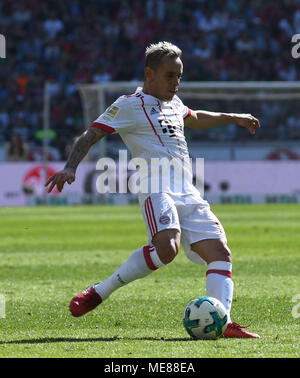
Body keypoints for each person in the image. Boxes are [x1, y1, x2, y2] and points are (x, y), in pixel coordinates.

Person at [45, 41, 260, 338]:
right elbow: (92, 134)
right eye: (170, 75)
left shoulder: (174, 104)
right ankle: (100, 291)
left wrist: (232, 117)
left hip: (188, 190)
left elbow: (195, 117)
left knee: (220, 253)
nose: (176, 82)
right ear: (150, 74)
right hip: (155, 185)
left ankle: (222, 321)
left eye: (179, 76)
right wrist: (70, 166)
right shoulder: (128, 104)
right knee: (167, 249)